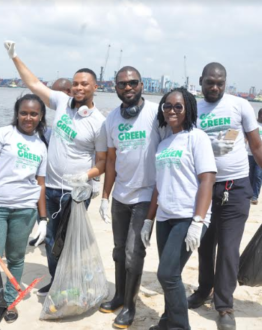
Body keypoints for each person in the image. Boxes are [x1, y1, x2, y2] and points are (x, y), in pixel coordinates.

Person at [3, 41, 108, 296]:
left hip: (76, 192)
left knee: (72, 241)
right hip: (49, 188)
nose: (79, 87)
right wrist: (15, 57)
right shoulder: (61, 101)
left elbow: (103, 163)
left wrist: (87, 176)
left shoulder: (99, 122)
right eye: (76, 83)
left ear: (95, 87)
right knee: (51, 240)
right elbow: (34, 85)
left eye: (85, 84)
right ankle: (57, 279)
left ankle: (74, 283)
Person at [187, 63, 262, 330]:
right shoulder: (193, 108)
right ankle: (204, 289)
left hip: (237, 187)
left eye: (220, 83)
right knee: (205, 246)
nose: (215, 87)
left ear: (225, 83)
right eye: (210, 82)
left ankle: (224, 305)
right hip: (204, 189)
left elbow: (256, 145)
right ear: (201, 81)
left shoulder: (239, 106)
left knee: (229, 249)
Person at [141, 87, 216, 330]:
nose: (171, 110)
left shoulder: (197, 137)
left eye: (177, 106)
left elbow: (207, 179)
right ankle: (167, 322)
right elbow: (158, 186)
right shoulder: (164, 143)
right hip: (165, 217)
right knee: (171, 275)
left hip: (187, 217)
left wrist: (198, 221)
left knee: (167, 274)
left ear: (189, 109)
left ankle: (180, 327)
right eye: (167, 106)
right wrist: (149, 220)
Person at [0, 94, 48, 323]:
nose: (28, 117)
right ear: (17, 113)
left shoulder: (40, 145)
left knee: (16, 258)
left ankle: (10, 300)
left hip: (25, 210)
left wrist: (43, 219)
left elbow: (40, 183)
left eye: (34, 113)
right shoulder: (0, 135)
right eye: (24, 112)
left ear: (41, 116)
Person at [98, 66, 161, 328]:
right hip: (121, 197)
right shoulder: (111, 119)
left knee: (135, 253)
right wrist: (105, 196)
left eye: (133, 83)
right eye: (122, 84)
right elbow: (111, 159)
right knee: (118, 251)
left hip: (146, 196)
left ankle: (131, 307)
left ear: (142, 85)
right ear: (116, 88)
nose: (128, 88)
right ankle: (120, 296)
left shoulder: (157, 113)